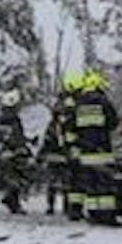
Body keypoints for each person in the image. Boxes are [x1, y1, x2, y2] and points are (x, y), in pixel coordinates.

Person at [70, 69, 122, 225]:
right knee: (105, 185)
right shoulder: (103, 101)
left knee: (91, 184)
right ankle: (107, 216)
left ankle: (93, 214)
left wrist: (75, 147)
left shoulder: (78, 104)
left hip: (85, 153)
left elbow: (71, 128)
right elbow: (113, 123)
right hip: (102, 151)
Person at [40, 73, 79, 217]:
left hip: (54, 154)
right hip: (65, 154)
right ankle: (66, 207)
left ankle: (52, 206)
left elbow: (48, 138)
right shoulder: (70, 106)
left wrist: (42, 153)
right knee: (67, 182)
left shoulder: (54, 122)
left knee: (54, 182)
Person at [0, 89, 31, 214]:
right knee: (16, 178)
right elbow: (13, 137)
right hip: (12, 152)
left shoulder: (6, 118)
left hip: (10, 151)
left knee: (14, 178)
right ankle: (12, 201)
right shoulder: (11, 119)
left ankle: (11, 200)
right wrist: (20, 148)